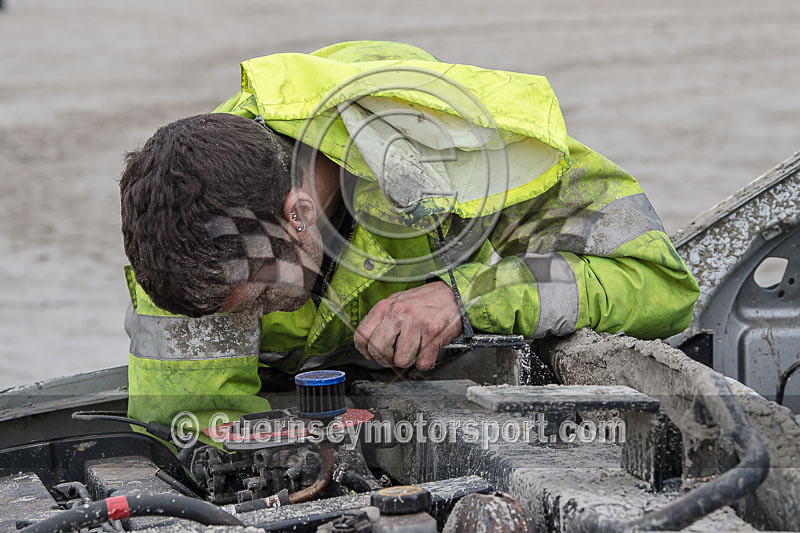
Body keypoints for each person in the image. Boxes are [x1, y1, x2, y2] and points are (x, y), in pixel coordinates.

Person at [119, 41, 699, 431]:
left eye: (259, 302)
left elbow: (657, 285)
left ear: (297, 215)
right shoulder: (188, 231)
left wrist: (466, 296)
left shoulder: (465, 152)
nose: (241, 319)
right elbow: (196, 424)